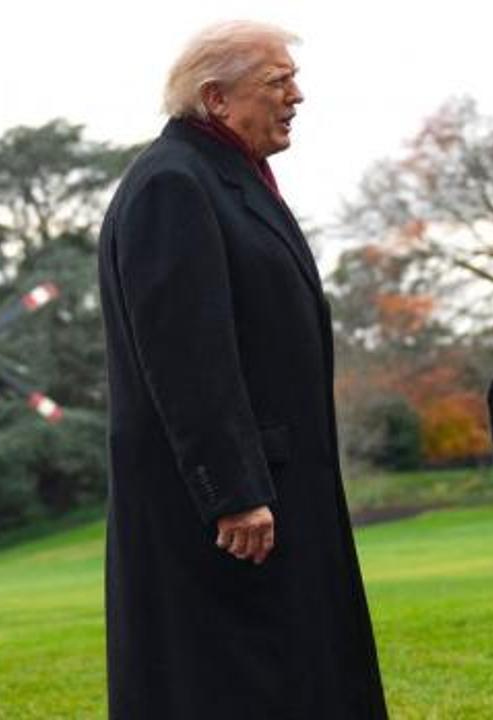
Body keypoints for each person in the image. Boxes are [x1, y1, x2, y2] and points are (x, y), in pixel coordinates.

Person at [97, 21, 387, 718]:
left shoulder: (221, 177)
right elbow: (185, 353)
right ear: (216, 98)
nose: (298, 96)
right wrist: (232, 490)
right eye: (277, 82)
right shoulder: (173, 185)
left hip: (277, 488)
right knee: (230, 685)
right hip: (229, 512)